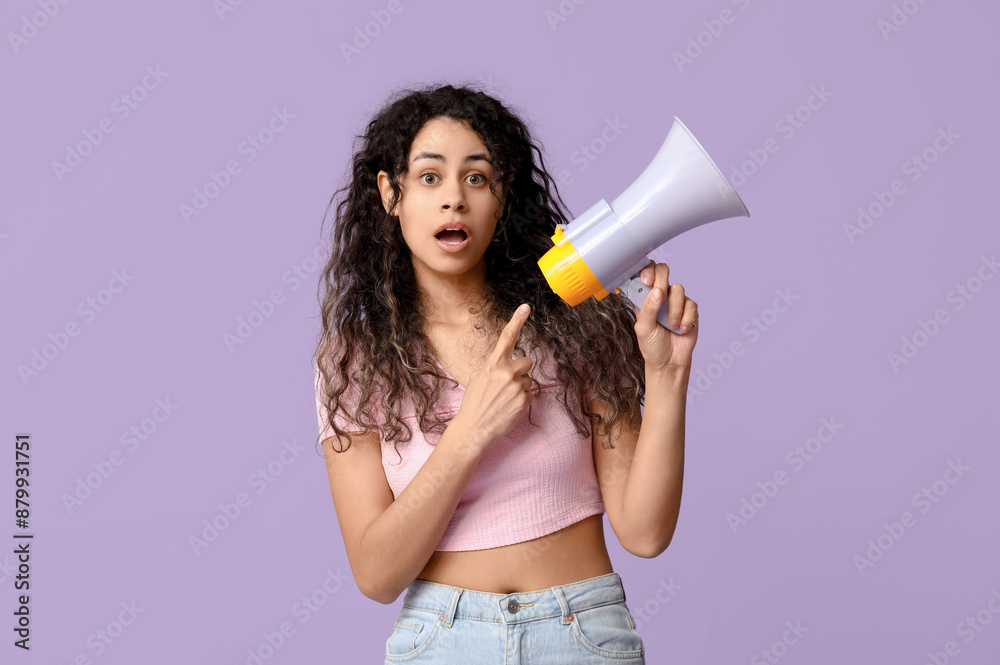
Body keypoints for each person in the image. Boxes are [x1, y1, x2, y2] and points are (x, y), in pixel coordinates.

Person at [313, 83, 698, 663]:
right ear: (390, 194)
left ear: (503, 195)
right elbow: (377, 574)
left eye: (476, 177)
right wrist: (470, 432)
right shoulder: (354, 359)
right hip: (441, 641)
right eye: (429, 177)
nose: (454, 200)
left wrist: (667, 379)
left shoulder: (578, 323)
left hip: (582, 634)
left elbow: (645, 533)